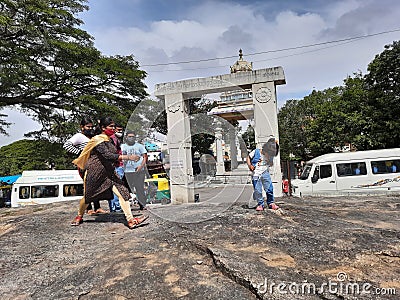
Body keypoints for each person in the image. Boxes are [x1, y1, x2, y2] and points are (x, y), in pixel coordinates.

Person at [70, 117, 148, 229]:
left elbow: (113, 155)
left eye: (113, 126)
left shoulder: (110, 139)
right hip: (95, 172)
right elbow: (108, 155)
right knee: (88, 197)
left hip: (109, 172)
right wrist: (128, 157)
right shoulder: (98, 140)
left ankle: (131, 220)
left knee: (123, 193)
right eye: (110, 126)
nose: (113, 129)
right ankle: (79, 216)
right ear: (103, 128)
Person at [63, 117, 106, 215]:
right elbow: (66, 145)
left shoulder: (92, 136)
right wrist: (81, 152)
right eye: (88, 127)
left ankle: (97, 207)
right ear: (82, 127)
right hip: (85, 164)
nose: (90, 129)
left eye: (91, 127)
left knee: (96, 184)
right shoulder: (78, 136)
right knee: (88, 185)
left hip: (94, 164)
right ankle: (88, 208)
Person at [246, 138, 280, 211]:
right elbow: (248, 157)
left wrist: (270, 161)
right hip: (256, 174)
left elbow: (271, 164)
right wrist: (249, 165)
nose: (269, 156)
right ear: (265, 149)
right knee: (258, 190)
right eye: (269, 154)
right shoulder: (256, 152)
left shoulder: (270, 156)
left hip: (265, 173)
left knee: (269, 188)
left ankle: (271, 203)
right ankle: (260, 204)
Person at [121, 130, 148, 210]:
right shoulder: (123, 146)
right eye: (129, 136)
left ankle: (142, 204)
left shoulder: (140, 146)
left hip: (138, 171)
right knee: (126, 189)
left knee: (139, 188)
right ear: (126, 137)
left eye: (133, 137)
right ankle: (125, 206)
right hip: (127, 171)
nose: (131, 138)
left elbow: (145, 157)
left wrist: (141, 166)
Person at [108, 123, 123, 212]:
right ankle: (116, 208)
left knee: (113, 188)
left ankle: (113, 208)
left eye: (121, 130)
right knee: (117, 187)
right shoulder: (113, 138)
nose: (119, 132)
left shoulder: (117, 139)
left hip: (117, 165)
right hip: (116, 166)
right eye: (118, 130)